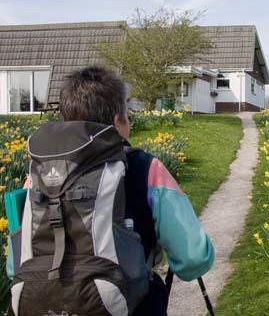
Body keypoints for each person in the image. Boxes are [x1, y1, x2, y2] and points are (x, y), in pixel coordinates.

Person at [8, 66, 214, 315]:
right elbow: (193, 259)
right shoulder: (145, 168)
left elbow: (14, 266)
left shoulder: (37, 173)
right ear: (118, 121)